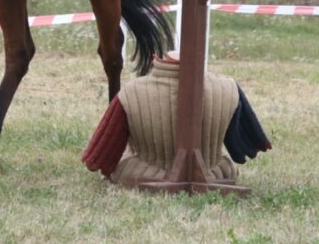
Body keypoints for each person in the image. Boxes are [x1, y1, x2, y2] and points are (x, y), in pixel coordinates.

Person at [82, 51, 271, 186]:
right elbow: (245, 147)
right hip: (215, 174)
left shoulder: (132, 92)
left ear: (156, 60)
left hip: (145, 174)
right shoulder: (228, 88)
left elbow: (100, 157)